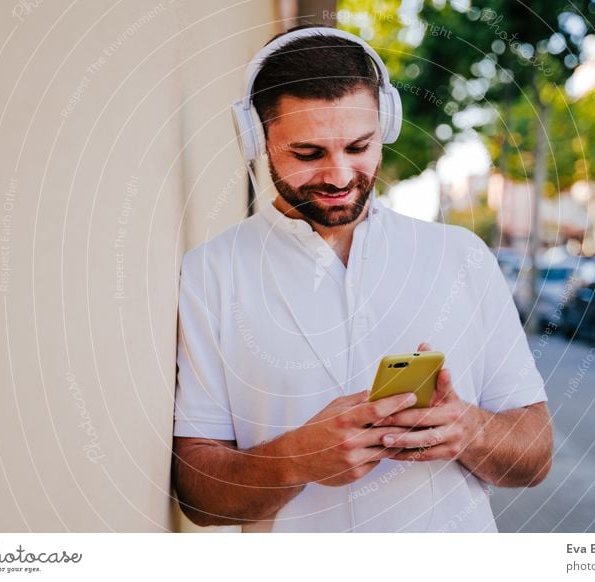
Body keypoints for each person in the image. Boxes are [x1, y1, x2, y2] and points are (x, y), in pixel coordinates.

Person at [172, 24, 552, 533]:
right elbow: (199, 497)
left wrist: (471, 429)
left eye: (360, 146)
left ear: (387, 127)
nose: (340, 176)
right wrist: (296, 460)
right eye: (308, 154)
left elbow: (537, 456)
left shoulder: (462, 256)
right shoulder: (209, 273)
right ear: (255, 139)